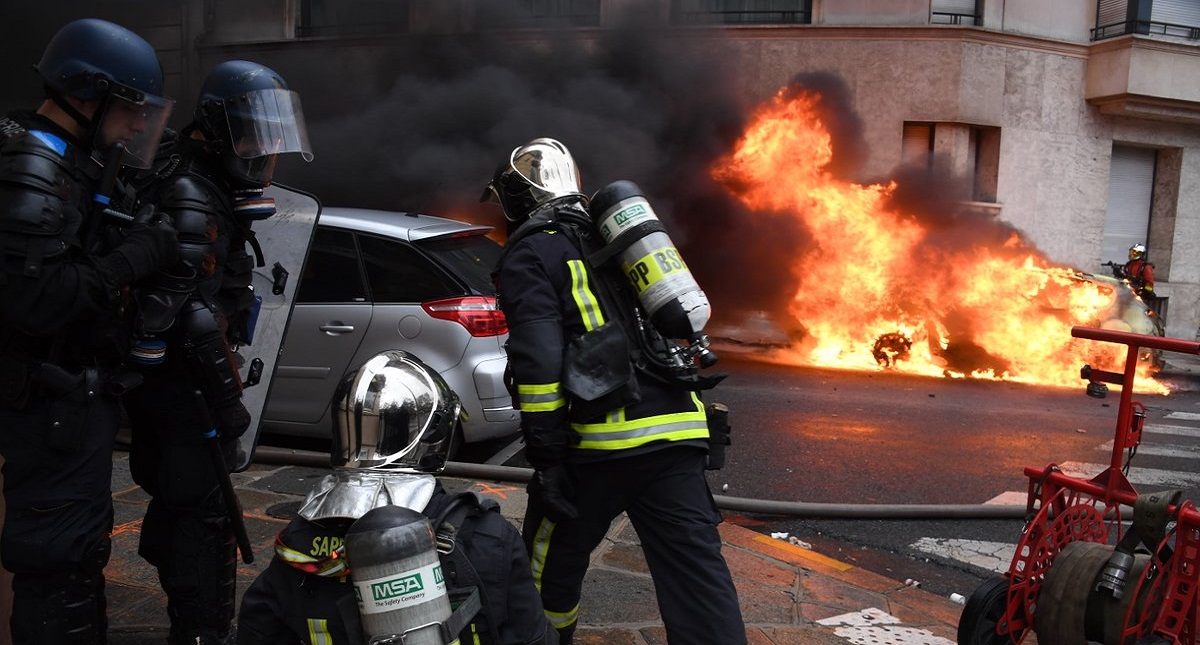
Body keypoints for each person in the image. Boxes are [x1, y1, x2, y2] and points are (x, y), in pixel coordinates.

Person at [483, 138, 745, 644]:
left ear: (517, 199)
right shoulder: (615, 239)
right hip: (678, 435)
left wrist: (549, 457)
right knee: (698, 581)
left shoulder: (532, 250)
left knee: (548, 573)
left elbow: (538, 363)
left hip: (598, 448)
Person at [122, 59, 313, 644]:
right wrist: (229, 410)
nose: (265, 150)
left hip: (177, 389)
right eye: (255, 133)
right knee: (204, 523)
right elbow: (194, 318)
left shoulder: (195, 180)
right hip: (183, 390)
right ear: (216, 128)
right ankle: (200, 630)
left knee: (187, 505)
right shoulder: (191, 194)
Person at [0, 18, 178, 644]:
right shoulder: (34, 166)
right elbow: (41, 302)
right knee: (57, 564)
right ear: (85, 92)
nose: (136, 124)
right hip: (46, 406)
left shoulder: (74, 163)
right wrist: (139, 254)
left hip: (72, 404)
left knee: (79, 555)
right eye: (130, 108)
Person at [237, 350, 556, 645]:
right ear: (435, 434)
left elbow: (255, 632)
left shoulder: (298, 542)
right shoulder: (488, 536)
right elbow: (534, 638)